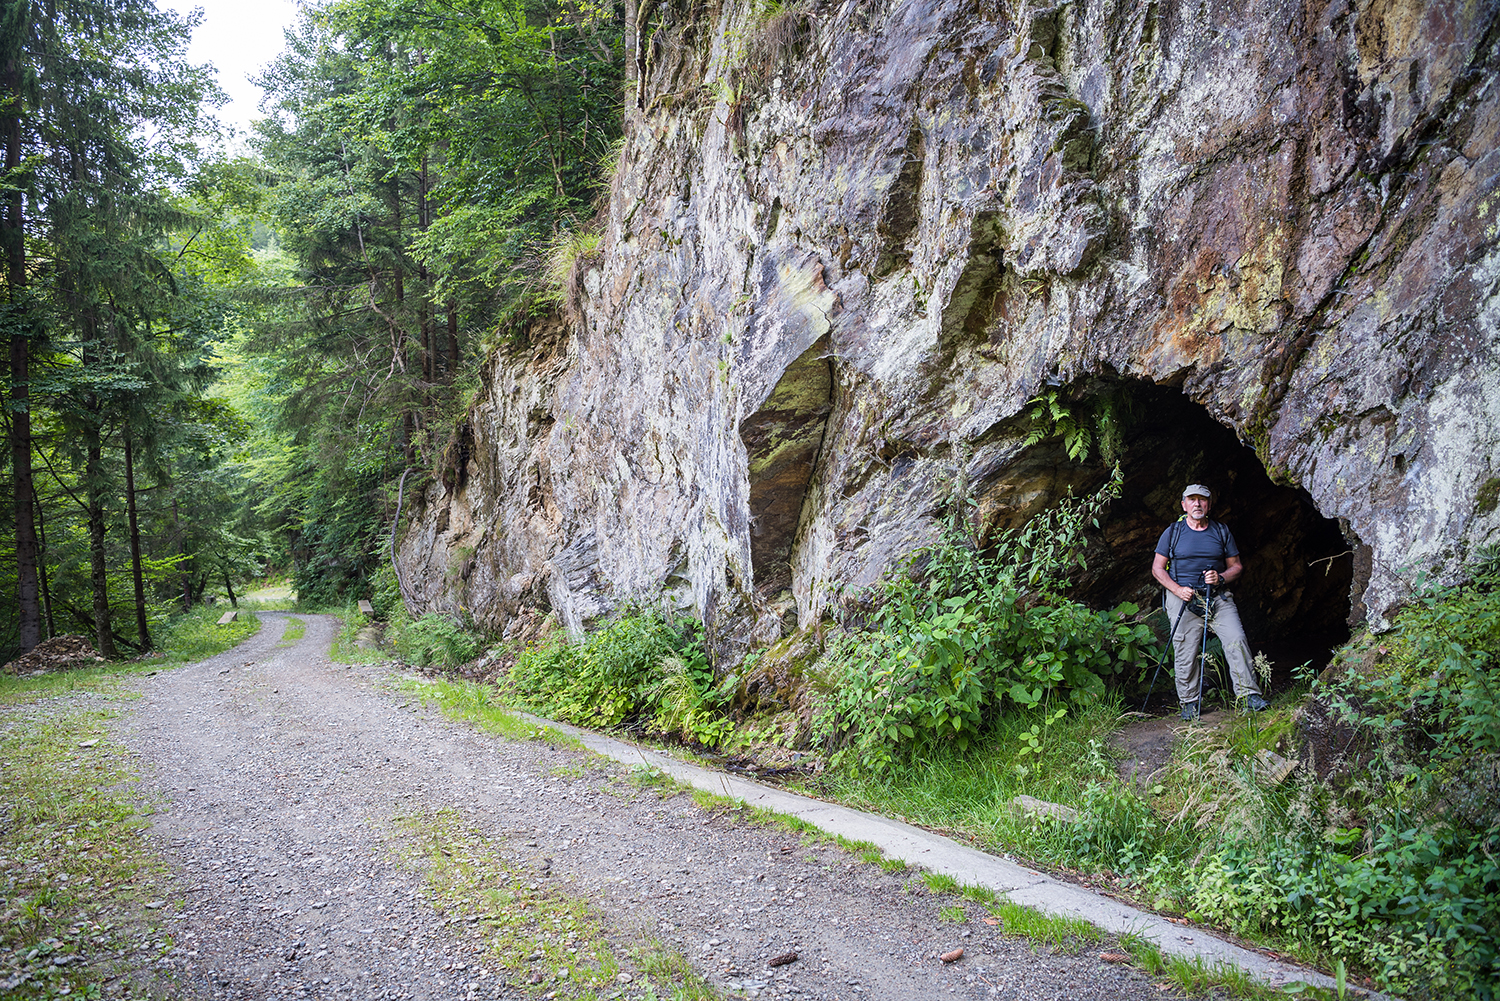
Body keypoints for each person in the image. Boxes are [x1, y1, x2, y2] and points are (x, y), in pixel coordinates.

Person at [1151, 484, 1269, 720]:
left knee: (1236, 639)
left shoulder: (1220, 531)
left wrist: (1221, 577)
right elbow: (1157, 568)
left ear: (1209, 505)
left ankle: (1249, 696)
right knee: (1185, 650)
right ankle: (1189, 703)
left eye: (1202, 500)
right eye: (1192, 500)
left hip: (1217, 597)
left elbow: (1236, 566)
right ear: (1183, 504)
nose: (1197, 504)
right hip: (1183, 598)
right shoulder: (1173, 532)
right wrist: (1177, 589)